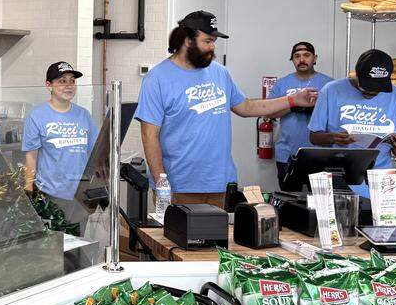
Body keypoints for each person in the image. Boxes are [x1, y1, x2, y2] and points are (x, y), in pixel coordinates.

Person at [135, 11, 318, 208]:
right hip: (179, 186)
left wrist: (293, 100)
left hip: (221, 184)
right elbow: (149, 136)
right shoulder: (157, 79)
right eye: (208, 41)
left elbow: (246, 106)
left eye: (214, 41)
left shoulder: (219, 73)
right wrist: (162, 183)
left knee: (221, 239)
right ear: (188, 40)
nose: (213, 47)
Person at [308, 49, 396, 198]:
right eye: (366, 86)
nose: (371, 93)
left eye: (378, 89)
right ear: (357, 74)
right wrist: (332, 137)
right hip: (340, 178)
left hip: (381, 180)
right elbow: (314, 137)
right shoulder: (331, 91)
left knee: (380, 221)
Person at [22, 61, 98, 230]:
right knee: (54, 250)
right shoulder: (37, 115)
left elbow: (95, 152)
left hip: (80, 195)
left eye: (72, 81)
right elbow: (31, 155)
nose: (69, 86)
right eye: (62, 81)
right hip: (51, 194)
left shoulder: (83, 115)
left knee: (76, 246)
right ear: (49, 85)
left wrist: (95, 187)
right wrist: (29, 189)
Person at [267, 41, 333, 190]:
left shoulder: (329, 84)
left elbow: (337, 116)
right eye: (297, 56)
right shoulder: (282, 84)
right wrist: (293, 105)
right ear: (292, 60)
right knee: (289, 201)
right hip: (287, 153)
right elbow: (270, 112)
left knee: (320, 203)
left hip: (320, 154)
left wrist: (317, 109)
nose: (302, 60)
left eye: (306, 55)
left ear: (315, 58)